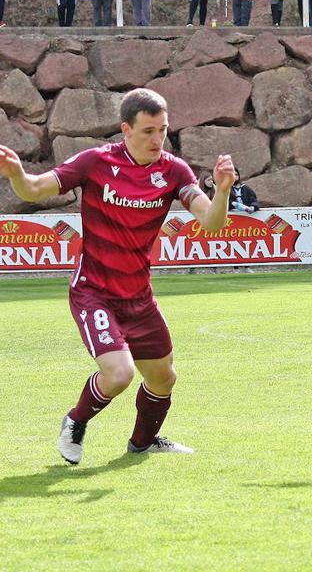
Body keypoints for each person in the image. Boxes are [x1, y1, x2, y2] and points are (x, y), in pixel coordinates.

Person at [0, 88, 236, 465]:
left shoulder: (174, 170)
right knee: (119, 374)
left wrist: (223, 191)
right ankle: (75, 421)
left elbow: (211, 222)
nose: (158, 139)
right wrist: (17, 174)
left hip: (139, 296)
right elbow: (34, 188)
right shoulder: (95, 162)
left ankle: (143, 443)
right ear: (125, 129)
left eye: (163, 130)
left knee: (163, 378)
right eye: (148, 131)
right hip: (94, 290)